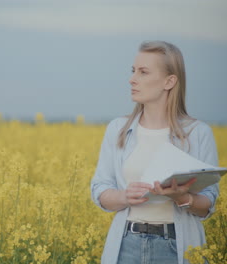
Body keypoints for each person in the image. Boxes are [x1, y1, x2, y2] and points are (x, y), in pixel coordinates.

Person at [90, 40, 219, 264]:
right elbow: (100, 189)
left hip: (177, 247)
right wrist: (124, 196)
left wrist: (182, 197)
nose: (132, 79)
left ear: (169, 81)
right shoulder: (117, 130)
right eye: (133, 71)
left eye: (143, 72)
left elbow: (208, 202)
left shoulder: (199, 133)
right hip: (126, 246)